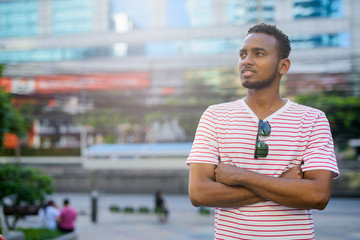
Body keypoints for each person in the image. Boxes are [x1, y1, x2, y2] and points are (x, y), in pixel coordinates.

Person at [187, 23, 339, 240]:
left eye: (259, 53)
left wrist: (240, 176)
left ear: (283, 66)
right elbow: (199, 193)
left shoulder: (312, 119)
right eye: (243, 54)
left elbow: (318, 196)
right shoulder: (215, 116)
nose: (246, 60)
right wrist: (284, 183)